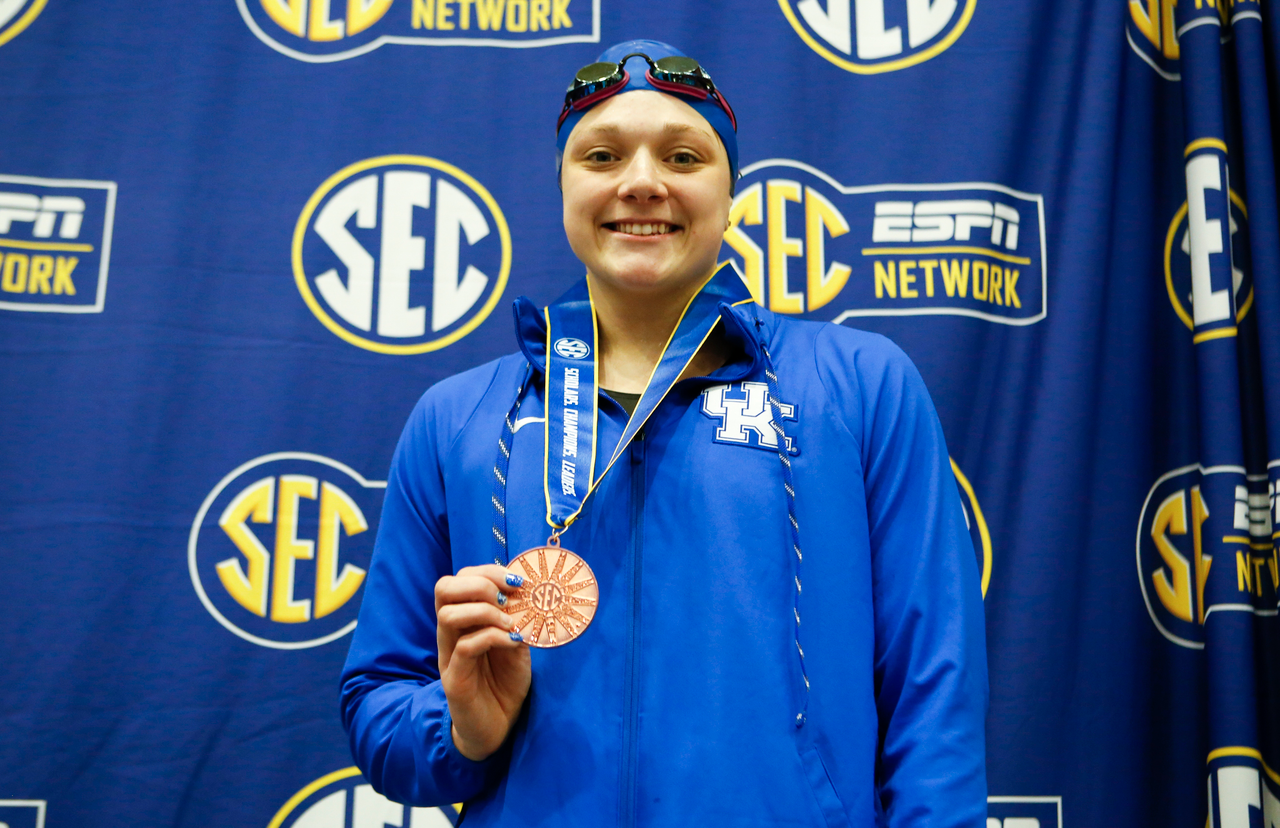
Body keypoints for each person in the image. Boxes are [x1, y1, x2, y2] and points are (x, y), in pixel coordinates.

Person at [340, 40, 988, 827]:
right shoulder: (459, 419)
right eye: (602, 155)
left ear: (730, 189)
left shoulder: (858, 386)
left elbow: (935, 695)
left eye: (683, 157)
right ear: (563, 184)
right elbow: (377, 703)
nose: (642, 183)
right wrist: (464, 728)